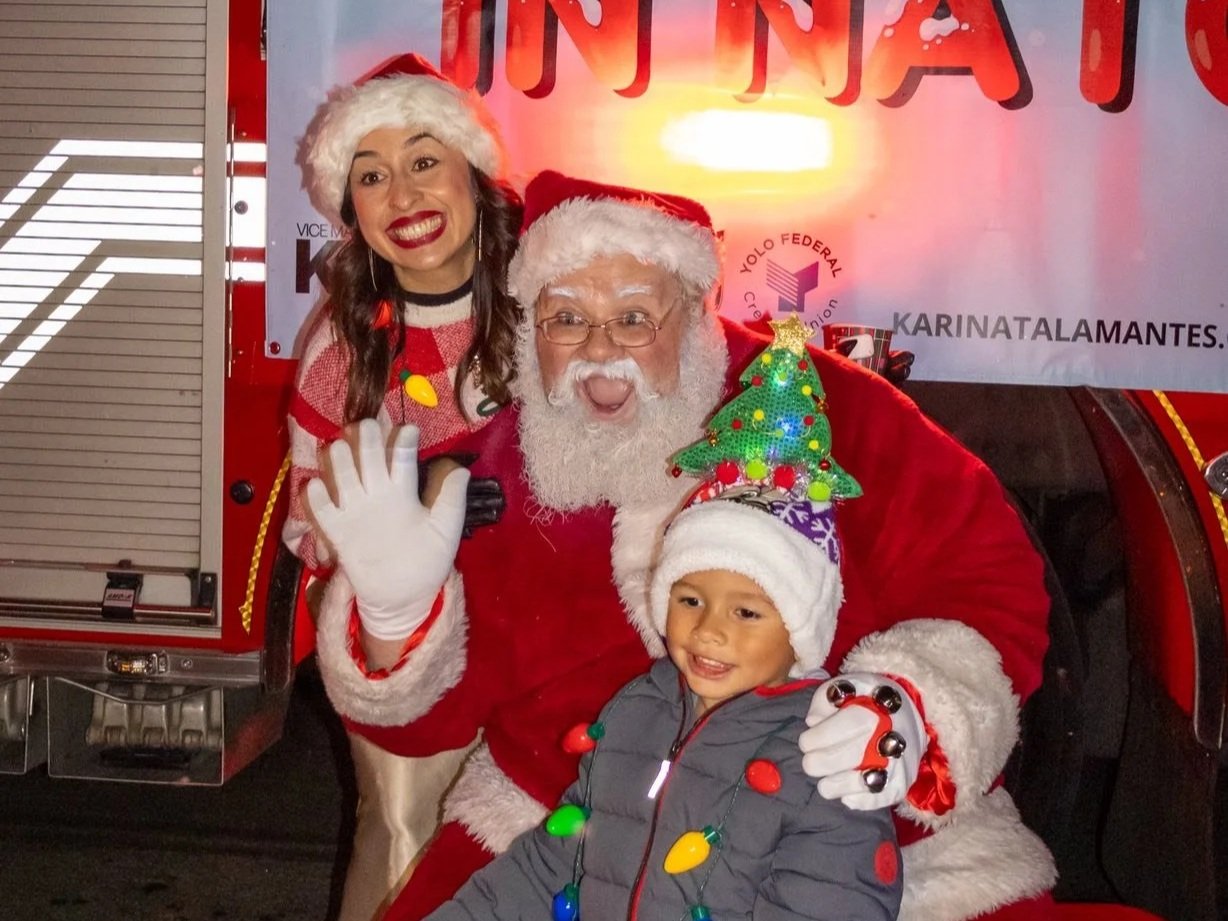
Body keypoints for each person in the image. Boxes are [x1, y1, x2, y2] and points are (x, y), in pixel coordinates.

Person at [308, 172, 1057, 921]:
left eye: (634, 318)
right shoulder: (497, 470)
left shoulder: (828, 408)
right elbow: (427, 727)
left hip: (843, 828)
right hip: (568, 825)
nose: (600, 350)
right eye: (566, 318)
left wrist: (903, 712)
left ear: (698, 312)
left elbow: (989, 579)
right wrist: (395, 616)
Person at [427, 462, 903, 921]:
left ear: (799, 629)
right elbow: (552, 865)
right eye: (690, 600)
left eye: (746, 613)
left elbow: (832, 903)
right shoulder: (636, 712)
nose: (708, 630)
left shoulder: (826, 758)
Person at [283, 52, 521, 921]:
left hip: (545, 636)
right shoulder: (344, 349)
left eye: (424, 160)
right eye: (372, 176)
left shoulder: (548, 308)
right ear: (352, 211)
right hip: (409, 649)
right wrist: (397, 504)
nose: (403, 195)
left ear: (474, 175)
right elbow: (306, 515)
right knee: (405, 836)